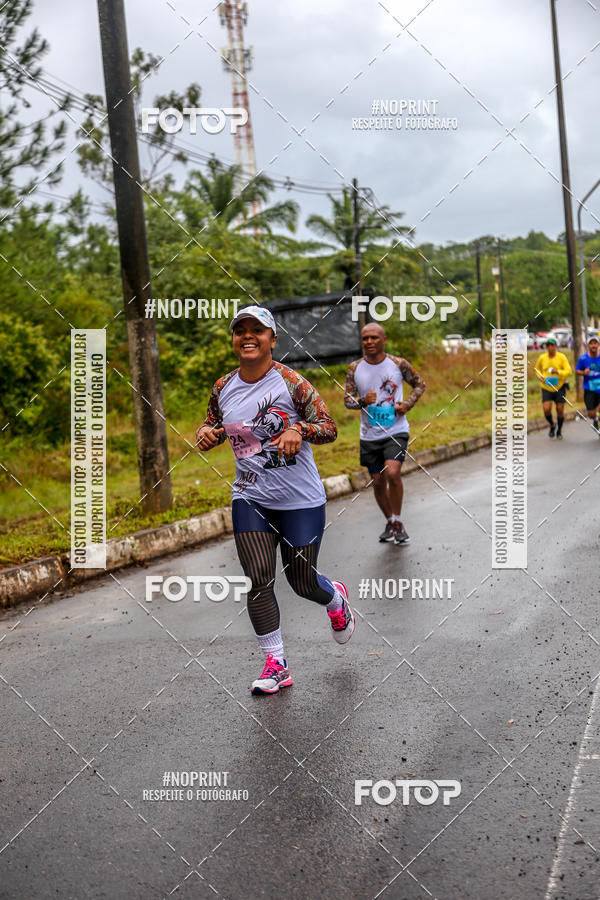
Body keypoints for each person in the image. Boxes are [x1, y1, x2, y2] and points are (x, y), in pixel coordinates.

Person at [196, 305, 355, 696]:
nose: (248, 337)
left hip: (299, 498)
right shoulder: (223, 386)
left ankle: (334, 598)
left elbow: (329, 428)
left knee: (301, 582)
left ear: (272, 339)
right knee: (259, 577)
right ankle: (276, 664)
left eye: (257, 330)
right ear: (234, 339)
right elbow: (212, 421)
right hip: (251, 495)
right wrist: (206, 432)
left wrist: (298, 429)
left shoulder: (291, 382)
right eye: (240, 331)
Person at [344, 323, 426, 544]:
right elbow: (347, 401)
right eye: (365, 339)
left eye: (374, 338)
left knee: (392, 473)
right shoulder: (354, 368)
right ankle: (390, 521)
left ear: (384, 340)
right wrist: (362, 401)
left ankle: (398, 520)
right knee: (378, 481)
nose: (369, 342)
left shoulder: (398, 364)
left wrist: (407, 404)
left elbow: (420, 384)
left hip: (396, 430)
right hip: (369, 435)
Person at [534, 336, 572, 440]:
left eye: (552, 345)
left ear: (556, 346)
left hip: (559, 387)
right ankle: (552, 425)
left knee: (560, 409)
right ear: (546, 347)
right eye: (548, 345)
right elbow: (537, 369)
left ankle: (559, 431)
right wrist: (540, 376)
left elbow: (569, 371)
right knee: (546, 409)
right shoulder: (542, 357)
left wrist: (558, 372)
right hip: (546, 387)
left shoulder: (562, 357)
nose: (550, 347)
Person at [575, 335, 600, 434]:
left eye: (595, 343)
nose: (593, 345)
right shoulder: (583, 358)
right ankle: (595, 419)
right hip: (589, 388)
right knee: (591, 413)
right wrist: (583, 373)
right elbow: (577, 371)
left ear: (598, 344)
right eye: (591, 343)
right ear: (588, 345)